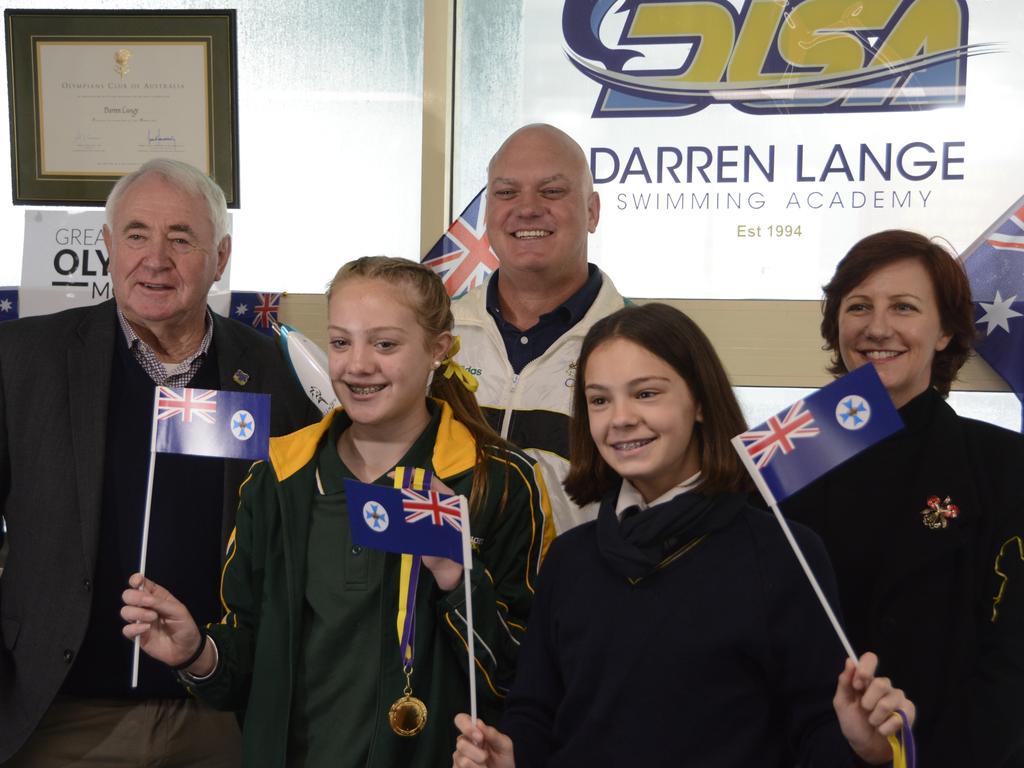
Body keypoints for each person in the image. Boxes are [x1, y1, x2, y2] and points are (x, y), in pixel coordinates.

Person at [121, 257, 551, 766]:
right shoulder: (279, 477)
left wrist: (458, 582)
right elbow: (244, 666)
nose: (357, 365)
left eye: (385, 344)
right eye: (341, 342)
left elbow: (525, 677)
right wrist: (197, 654)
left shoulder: (495, 481)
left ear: (438, 348)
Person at [452, 303, 914, 767]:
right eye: (599, 400)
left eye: (646, 393)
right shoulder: (571, 558)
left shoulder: (782, 552)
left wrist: (866, 748)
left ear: (698, 402)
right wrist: (510, 756)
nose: (621, 418)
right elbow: (535, 713)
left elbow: (818, 727)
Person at [0, 159, 318, 766]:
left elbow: (295, 552)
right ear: (107, 245)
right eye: (137, 234)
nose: (156, 258)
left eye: (181, 238)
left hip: (218, 717)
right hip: (56, 715)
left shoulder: (274, 375)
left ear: (221, 257)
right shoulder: (22, 360)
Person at [782, 229, 1024, 767]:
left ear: (944, 333)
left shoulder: (1007, 467)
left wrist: (909, 758)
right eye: (859, 306)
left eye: (905, 307)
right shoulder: (787, 459)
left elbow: (1012, 666)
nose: (877, 328)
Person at [453, 123, 625, 535]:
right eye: (507, 192)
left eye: (551, 191)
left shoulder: (644, 348)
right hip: (451, 594)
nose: (527, 208)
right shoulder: (434, 336)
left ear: (592, 211)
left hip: (585, 595)